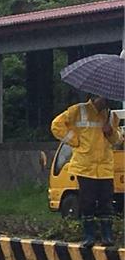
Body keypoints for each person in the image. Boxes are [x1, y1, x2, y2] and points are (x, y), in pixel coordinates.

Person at [51, 95, 121, 247]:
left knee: (106, 203)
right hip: (85, 167)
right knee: (87, 202)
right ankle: (89, 236)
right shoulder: (78, 110)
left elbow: (117, 141)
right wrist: (75, 141)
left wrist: (110, 132)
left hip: (105, 168)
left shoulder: (111, 116)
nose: (106, 101)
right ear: (95, 96)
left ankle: (107, 236)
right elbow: (56, 126)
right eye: (103, 98)